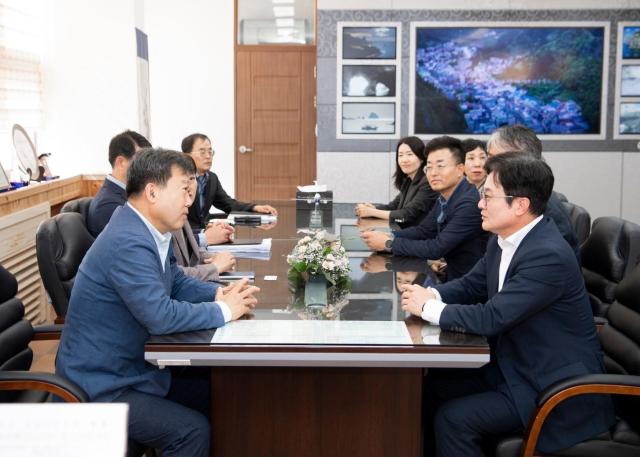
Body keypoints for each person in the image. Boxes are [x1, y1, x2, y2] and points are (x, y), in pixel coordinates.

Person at [401, 153, 614, 457]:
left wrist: (428, 309)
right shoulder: (505, 238)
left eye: (487, 196)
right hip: (514, 366)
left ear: (520, 205)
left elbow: (493, 317)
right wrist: (430, 296)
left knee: (455, 419)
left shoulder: (547, 254)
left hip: (553, 385)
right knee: (431, 388)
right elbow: (472, 284)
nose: (479, 205)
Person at [56, 149, 260, 456]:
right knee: (191, 432)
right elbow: (160, 316)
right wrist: (223, 310)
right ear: (153, 191)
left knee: (222, 393)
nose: (190, 201)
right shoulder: (129, 240)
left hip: (134, 369)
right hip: (103, 384)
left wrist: (217, 295)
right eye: (184, 190)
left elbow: (174, 281)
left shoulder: (146, 229)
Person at [361, 136, 487, 281]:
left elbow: (436, 248)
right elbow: (424, 230)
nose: (433, 173)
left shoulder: (468, 203)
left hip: (466, 283)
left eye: (440, 166)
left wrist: (389, 243)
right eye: (429, 167)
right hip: (448, 274)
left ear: (460, 169)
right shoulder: (445, 196)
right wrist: (391, 237)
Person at [486, 124, 580, 259]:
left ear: (521, 160)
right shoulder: (522, 195)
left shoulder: (547, 213)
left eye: (496, 159)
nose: (487, 165)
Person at [181, 133, 277, 241]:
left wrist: (254, 208)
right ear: (187, 156)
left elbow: (228, 204)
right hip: (185, 238)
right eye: (202, 152)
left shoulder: (212, 178)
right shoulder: (180, 180)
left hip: (205, 234)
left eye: (210, 152)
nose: (208, 156)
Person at [171, 155, 235, 281]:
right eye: (183, 182)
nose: (189, 186)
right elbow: (172, 276)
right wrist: (214, 267)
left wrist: (215, 258)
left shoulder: (180, 209)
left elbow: (189, 252)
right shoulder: (165, 216)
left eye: (192, 178)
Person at [355, 136, 437, 227]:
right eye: (400, 155)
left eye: (409, 154)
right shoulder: (408, 181)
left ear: (421, 158)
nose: (404, 160)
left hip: (420, 237)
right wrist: (372, 208)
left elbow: (406, 216)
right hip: (406, 234)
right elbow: (393, 206)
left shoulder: (428, 182)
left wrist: (372, 212)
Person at [87, 130, 151, 237]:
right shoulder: (107, 205)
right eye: (141, 161)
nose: (148, 168)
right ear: (121, 163)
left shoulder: (128, 193)